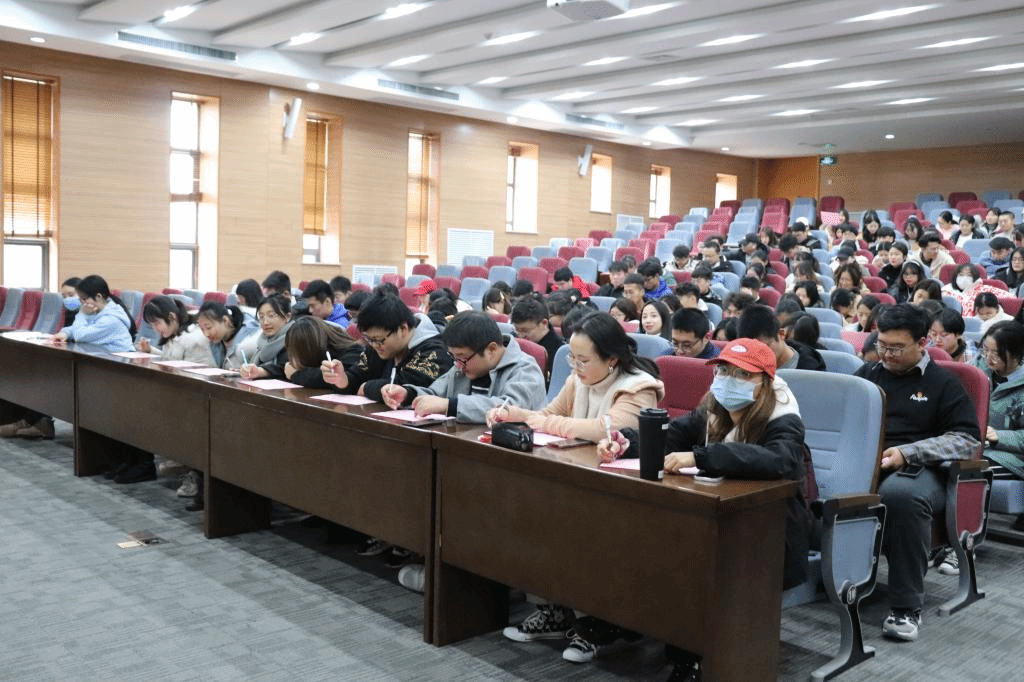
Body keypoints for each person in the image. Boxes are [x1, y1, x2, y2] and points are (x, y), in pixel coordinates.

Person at [599, 337, 809, 680]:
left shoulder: (783, 416)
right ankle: (654, 633)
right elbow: (672, 435)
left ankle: (691, 657)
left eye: (742, 374)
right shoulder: (714, 407)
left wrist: (701, 457)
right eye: (724, 371)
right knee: (655, 542)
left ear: (765, 383)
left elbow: (780, 460)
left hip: (771, 532)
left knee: (689, 561)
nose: (729, 380)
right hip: (718, 517)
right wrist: (625, 443)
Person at [493, 313, 664, 661]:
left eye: (583, 360)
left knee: (582, 532)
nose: (575, 366)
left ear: (612, 359)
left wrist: (541, 421)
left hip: (621, 494)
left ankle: (597, 622)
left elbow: (606, 429)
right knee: (530, 515)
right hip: (576, 478)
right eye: (572, 358)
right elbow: (547, 414)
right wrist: (516, 415)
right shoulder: (579, 379)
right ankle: (555, 609)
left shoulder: (640, 388)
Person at [854, 304, 980, 641]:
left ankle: (906, 606)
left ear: (922, 343)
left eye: (896, 348)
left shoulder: (943, 383)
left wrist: (908, 452)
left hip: (921, 470)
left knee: (900, 495)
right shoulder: (867, 374)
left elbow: (967, 440)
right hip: (867, 462)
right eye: (882, 345)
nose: (886, 355)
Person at [1, 275, 136, 442]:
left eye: (83, 299)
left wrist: (82, 314)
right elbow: (73, 329)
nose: (81, 303)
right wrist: (65, 333)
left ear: (99, 297)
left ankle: (37, 422)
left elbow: (81, 334)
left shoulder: (111, 319)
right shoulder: (99, 310)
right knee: (44, 374)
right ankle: (33, 421)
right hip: (95, 363)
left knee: (54, 378)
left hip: (116, 370)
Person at [320, 291, 452, 402]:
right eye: (369, 339)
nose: (374, 345)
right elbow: (357, 376)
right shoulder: (377, 343)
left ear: (403, 329)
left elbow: (400, 389)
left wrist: (366, 387)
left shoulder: (435, 351)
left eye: (378, 340)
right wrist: (342, 379)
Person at [978, 321, 1024, 532]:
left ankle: (963, 535)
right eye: (985, 350)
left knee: (966, 472)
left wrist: (999, 436)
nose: (989, 357)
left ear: (1016, 353)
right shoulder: (979, 372)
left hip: (1012, 456)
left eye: (996, 353)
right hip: (978, 447)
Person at [738, 304, 826, 371]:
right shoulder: (749, 370)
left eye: (766, 347)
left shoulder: (810, 370)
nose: (761, 355)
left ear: (781, 334)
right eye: (754, 351)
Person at [282, 316, 363, 387]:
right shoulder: (316, 351)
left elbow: (333, 376)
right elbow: (286, 365)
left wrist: (297, 375)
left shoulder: (352, 351)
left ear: (308, 348)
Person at [137, 295, 215, 365]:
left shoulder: (192, 338)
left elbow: (187, 370)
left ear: (172, 316)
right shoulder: (173, 332)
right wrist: (150, 350)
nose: (155, 329)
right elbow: (171, 360)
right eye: (152, 325)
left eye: (157, 323)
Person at [239, 295, 295, 380]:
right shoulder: (262, 342)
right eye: (261, 317)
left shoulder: (295, 339)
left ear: (287, 317)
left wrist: (262, 372)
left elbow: (283, 369)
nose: (265, 322)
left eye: (271, 316)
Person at [195, 300, 260, 369]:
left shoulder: (249, 337)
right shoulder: (214, 341)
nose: (206, 334)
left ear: (225, 321)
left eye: (208, 328)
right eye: (202, 329)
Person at [510, 296, 565, 376]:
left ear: (544, 323)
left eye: (525, 331)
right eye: (517, 330)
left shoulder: (559, 352)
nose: (520, 336)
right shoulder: (512, 341)